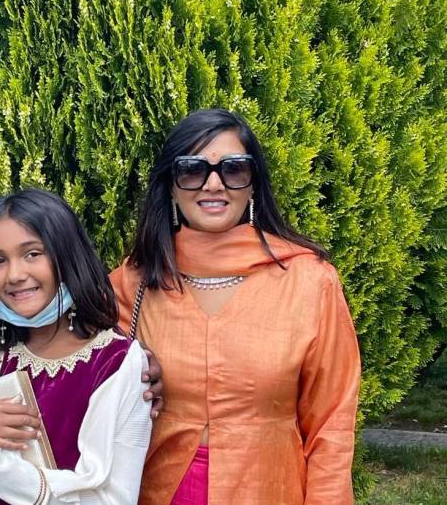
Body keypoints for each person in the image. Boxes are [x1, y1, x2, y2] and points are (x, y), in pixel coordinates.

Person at [110, 108, 361, 504]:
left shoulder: (310, 282)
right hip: (156, 490)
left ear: (253, 183)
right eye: (192, 170)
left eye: (233, 169)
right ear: (171, 185)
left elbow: (332, 422)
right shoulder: (133, 282)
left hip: (268, 489)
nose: (213, 184)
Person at [0, 189, 152, 504]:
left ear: (66, 255)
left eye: (32, 254)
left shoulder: (115, 362)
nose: (15, 275)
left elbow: (112, 498)